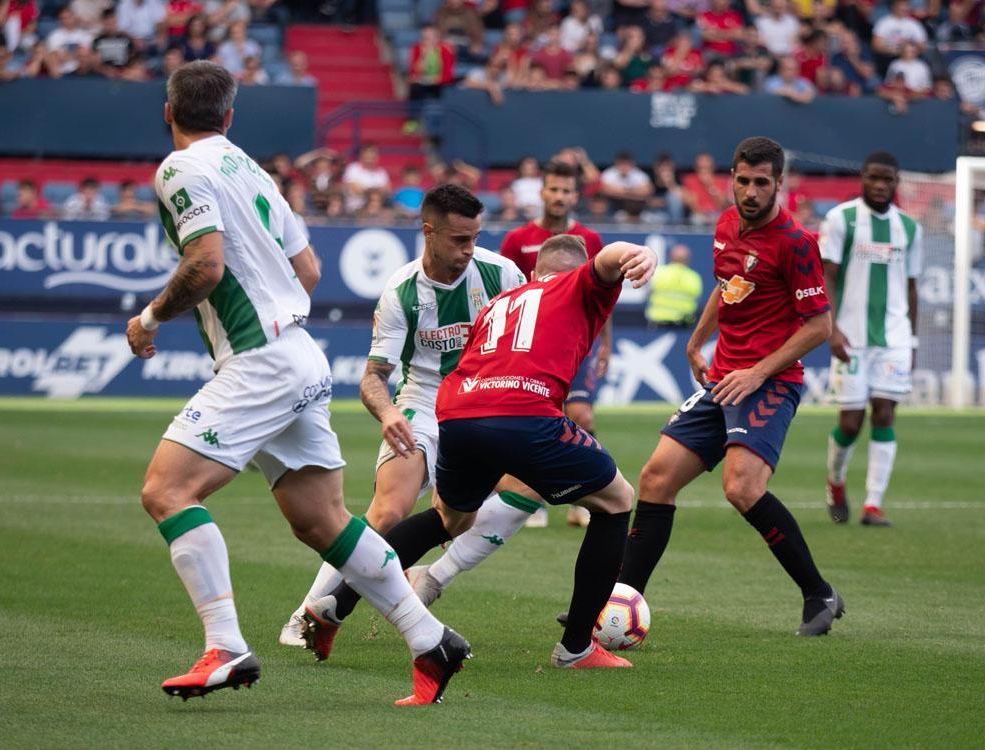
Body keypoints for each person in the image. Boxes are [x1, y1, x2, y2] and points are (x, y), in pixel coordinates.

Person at [126, 60, 469, 707]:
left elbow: (203, 264)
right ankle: (430, 640)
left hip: (261, 360)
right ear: (230, 117)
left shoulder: (179, 169)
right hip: (300, 354)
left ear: (168, 113)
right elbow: (306, 268)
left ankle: (225, 645)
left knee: (167, 490)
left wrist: (147, 320)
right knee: (322, 520)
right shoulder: (251, 170)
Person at [364, 234, 657, 669]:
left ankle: (335, 601)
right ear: (576, 273)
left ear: (535, 273)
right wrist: (639, 253)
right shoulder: (576, 287)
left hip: (459, 409)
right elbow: (609, 260)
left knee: (450, 518)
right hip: (521, 411)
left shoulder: (501, 300)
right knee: (617, 500)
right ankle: (576, 648)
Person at [277, 184, 533, 660]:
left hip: (486, 402)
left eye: (475, 238)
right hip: (424, 401)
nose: (469, 251)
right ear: (429, 232)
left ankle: (432, 577)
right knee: (388, 510)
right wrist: (389, 410)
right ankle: (309, 610)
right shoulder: (402, 291)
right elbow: (374, 377)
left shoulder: (502, 274)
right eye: (459, 240)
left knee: (519, 493)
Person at [615, 136, 846, 637]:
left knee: (742, 487)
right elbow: (727, 288)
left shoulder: (796, 243)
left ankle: (818, 593)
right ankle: (618, 604)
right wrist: (697, 343)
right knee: (655, 478)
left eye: (762, 183)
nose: (751, 192)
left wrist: (759, 371)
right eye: (743, 181)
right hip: (723, 379)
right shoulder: (724, 225)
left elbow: (818, 327)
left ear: (779, 184)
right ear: (732, 179)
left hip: (769, 382)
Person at [500, 160, 613, 529]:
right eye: (554, 189)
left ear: (575, 195)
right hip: (529, 347)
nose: (559, 196)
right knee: (536, 419)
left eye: (566, 190)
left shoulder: (590, 240)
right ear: (542, 192)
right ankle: (535, 499)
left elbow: (602, 294)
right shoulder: (518, 240)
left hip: (575, 344)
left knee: (581, 415)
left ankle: (585, 495)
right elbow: (508, 293)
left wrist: (605, 345)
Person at [821, 151, 922, 527]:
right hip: (851, 335)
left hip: (894, 335)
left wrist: (911, 338)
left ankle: (873, 505)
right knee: (850, 422)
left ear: (896, 182)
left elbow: (912, 287)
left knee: (884, 412)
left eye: (887, 179)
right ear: (862, 178)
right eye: (873, 178)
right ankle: (836, 482)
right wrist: (831, 326)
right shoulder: (840, 219)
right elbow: (827, 275)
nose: (880, 185)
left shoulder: (910, 228)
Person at [645, 243, 702, 327]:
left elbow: (648, 293)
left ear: (671, 257)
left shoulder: (659, 273)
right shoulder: (694, 277)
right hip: (684, 323)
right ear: (687, 259)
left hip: (658, 322)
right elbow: (697, 298)